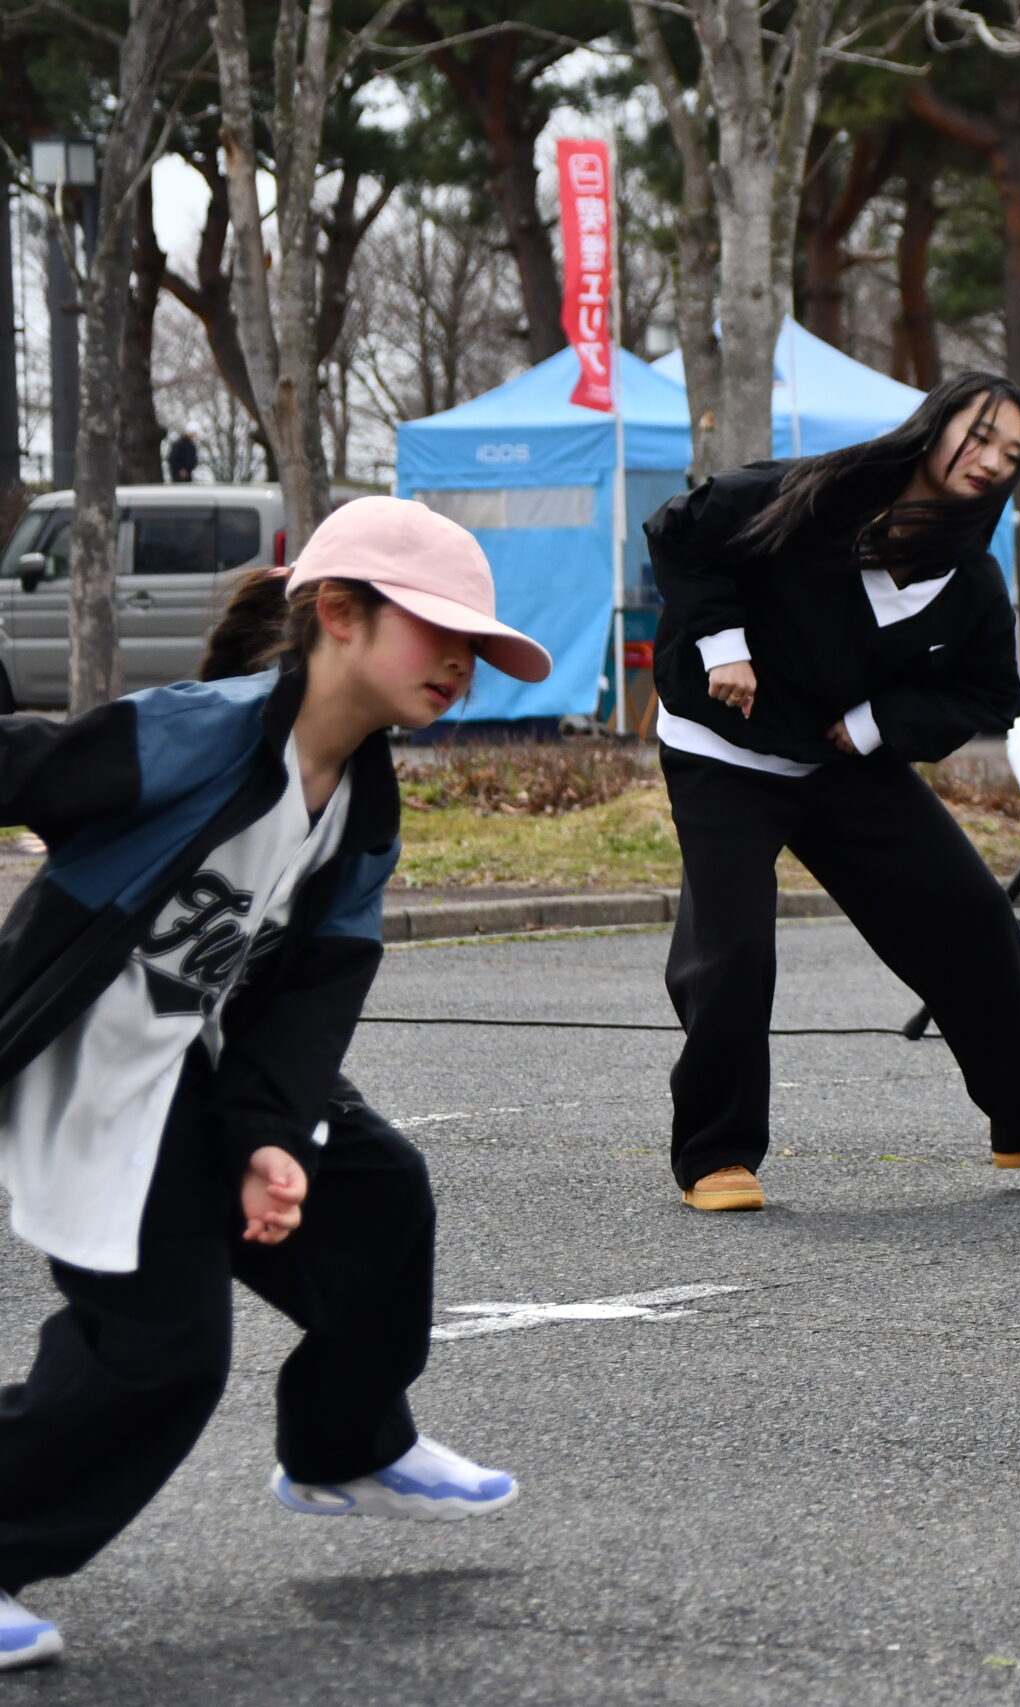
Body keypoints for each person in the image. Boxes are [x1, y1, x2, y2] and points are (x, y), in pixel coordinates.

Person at [0, 497, 545, 1672]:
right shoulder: (204, 733)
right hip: (83, 1067)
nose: (458, 662)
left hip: (180, 1058)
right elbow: (28, 766)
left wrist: (269, 1132)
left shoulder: (364, 795)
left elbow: (315, 987)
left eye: (477, 647)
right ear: (338, 616)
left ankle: (343, 1446)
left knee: (378, 1193)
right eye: (435, 631)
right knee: (159, 1353)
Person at [645, 373, 1020, 1212]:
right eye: (980, 434)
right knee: (733, 949)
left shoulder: (973, 582)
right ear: (933, 425)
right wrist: (722, 643)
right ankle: (716, 1154)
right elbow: (680, 532)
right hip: (721, 748)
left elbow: (987, 695)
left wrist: (878, 722)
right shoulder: (808, 494)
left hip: (840, 760)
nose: (991, 460)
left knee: (970, 912)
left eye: (1013, 454)